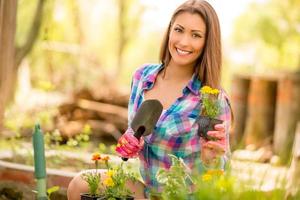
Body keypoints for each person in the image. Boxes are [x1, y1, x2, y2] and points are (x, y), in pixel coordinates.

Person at [67, 0, 232, 199]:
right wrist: (129, 142)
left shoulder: (210, 99)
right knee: (80, 185)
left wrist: (210, 160)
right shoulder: (142, 78)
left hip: (182, 196)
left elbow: (218, 176)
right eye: (179, 30)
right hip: (147, 192)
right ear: (170, 30)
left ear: (207, 42)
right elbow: (134, 131)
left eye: (196, 35)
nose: (184, 42)